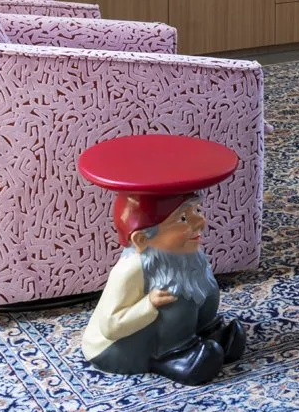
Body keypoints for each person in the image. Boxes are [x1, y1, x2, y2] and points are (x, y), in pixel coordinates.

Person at [79, 137, 246, 385]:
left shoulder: (186, 256)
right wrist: (148, 304)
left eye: (196, 212)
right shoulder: (133, 269)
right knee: (172, 300)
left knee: (201, 286)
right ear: (143, 239)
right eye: (182, 219)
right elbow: (110, 326)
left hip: (157, 331)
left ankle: (206, 333)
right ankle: (172, 355)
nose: (199, 222)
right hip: (117, 347)